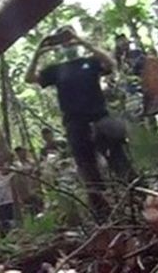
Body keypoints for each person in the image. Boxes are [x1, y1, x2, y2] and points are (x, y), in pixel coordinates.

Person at [25, 27, 134, 220]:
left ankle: (139, 200)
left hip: (101, 119)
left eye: (68, 35)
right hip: (76, 125)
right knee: (89, 171)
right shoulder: (56, 70)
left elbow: (110, 63)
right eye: (62, 38)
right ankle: (105, 218)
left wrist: (81, 41)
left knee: (120, 163)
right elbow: (29, 78)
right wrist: (39, 52)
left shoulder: (89, 62)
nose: (66, 41)